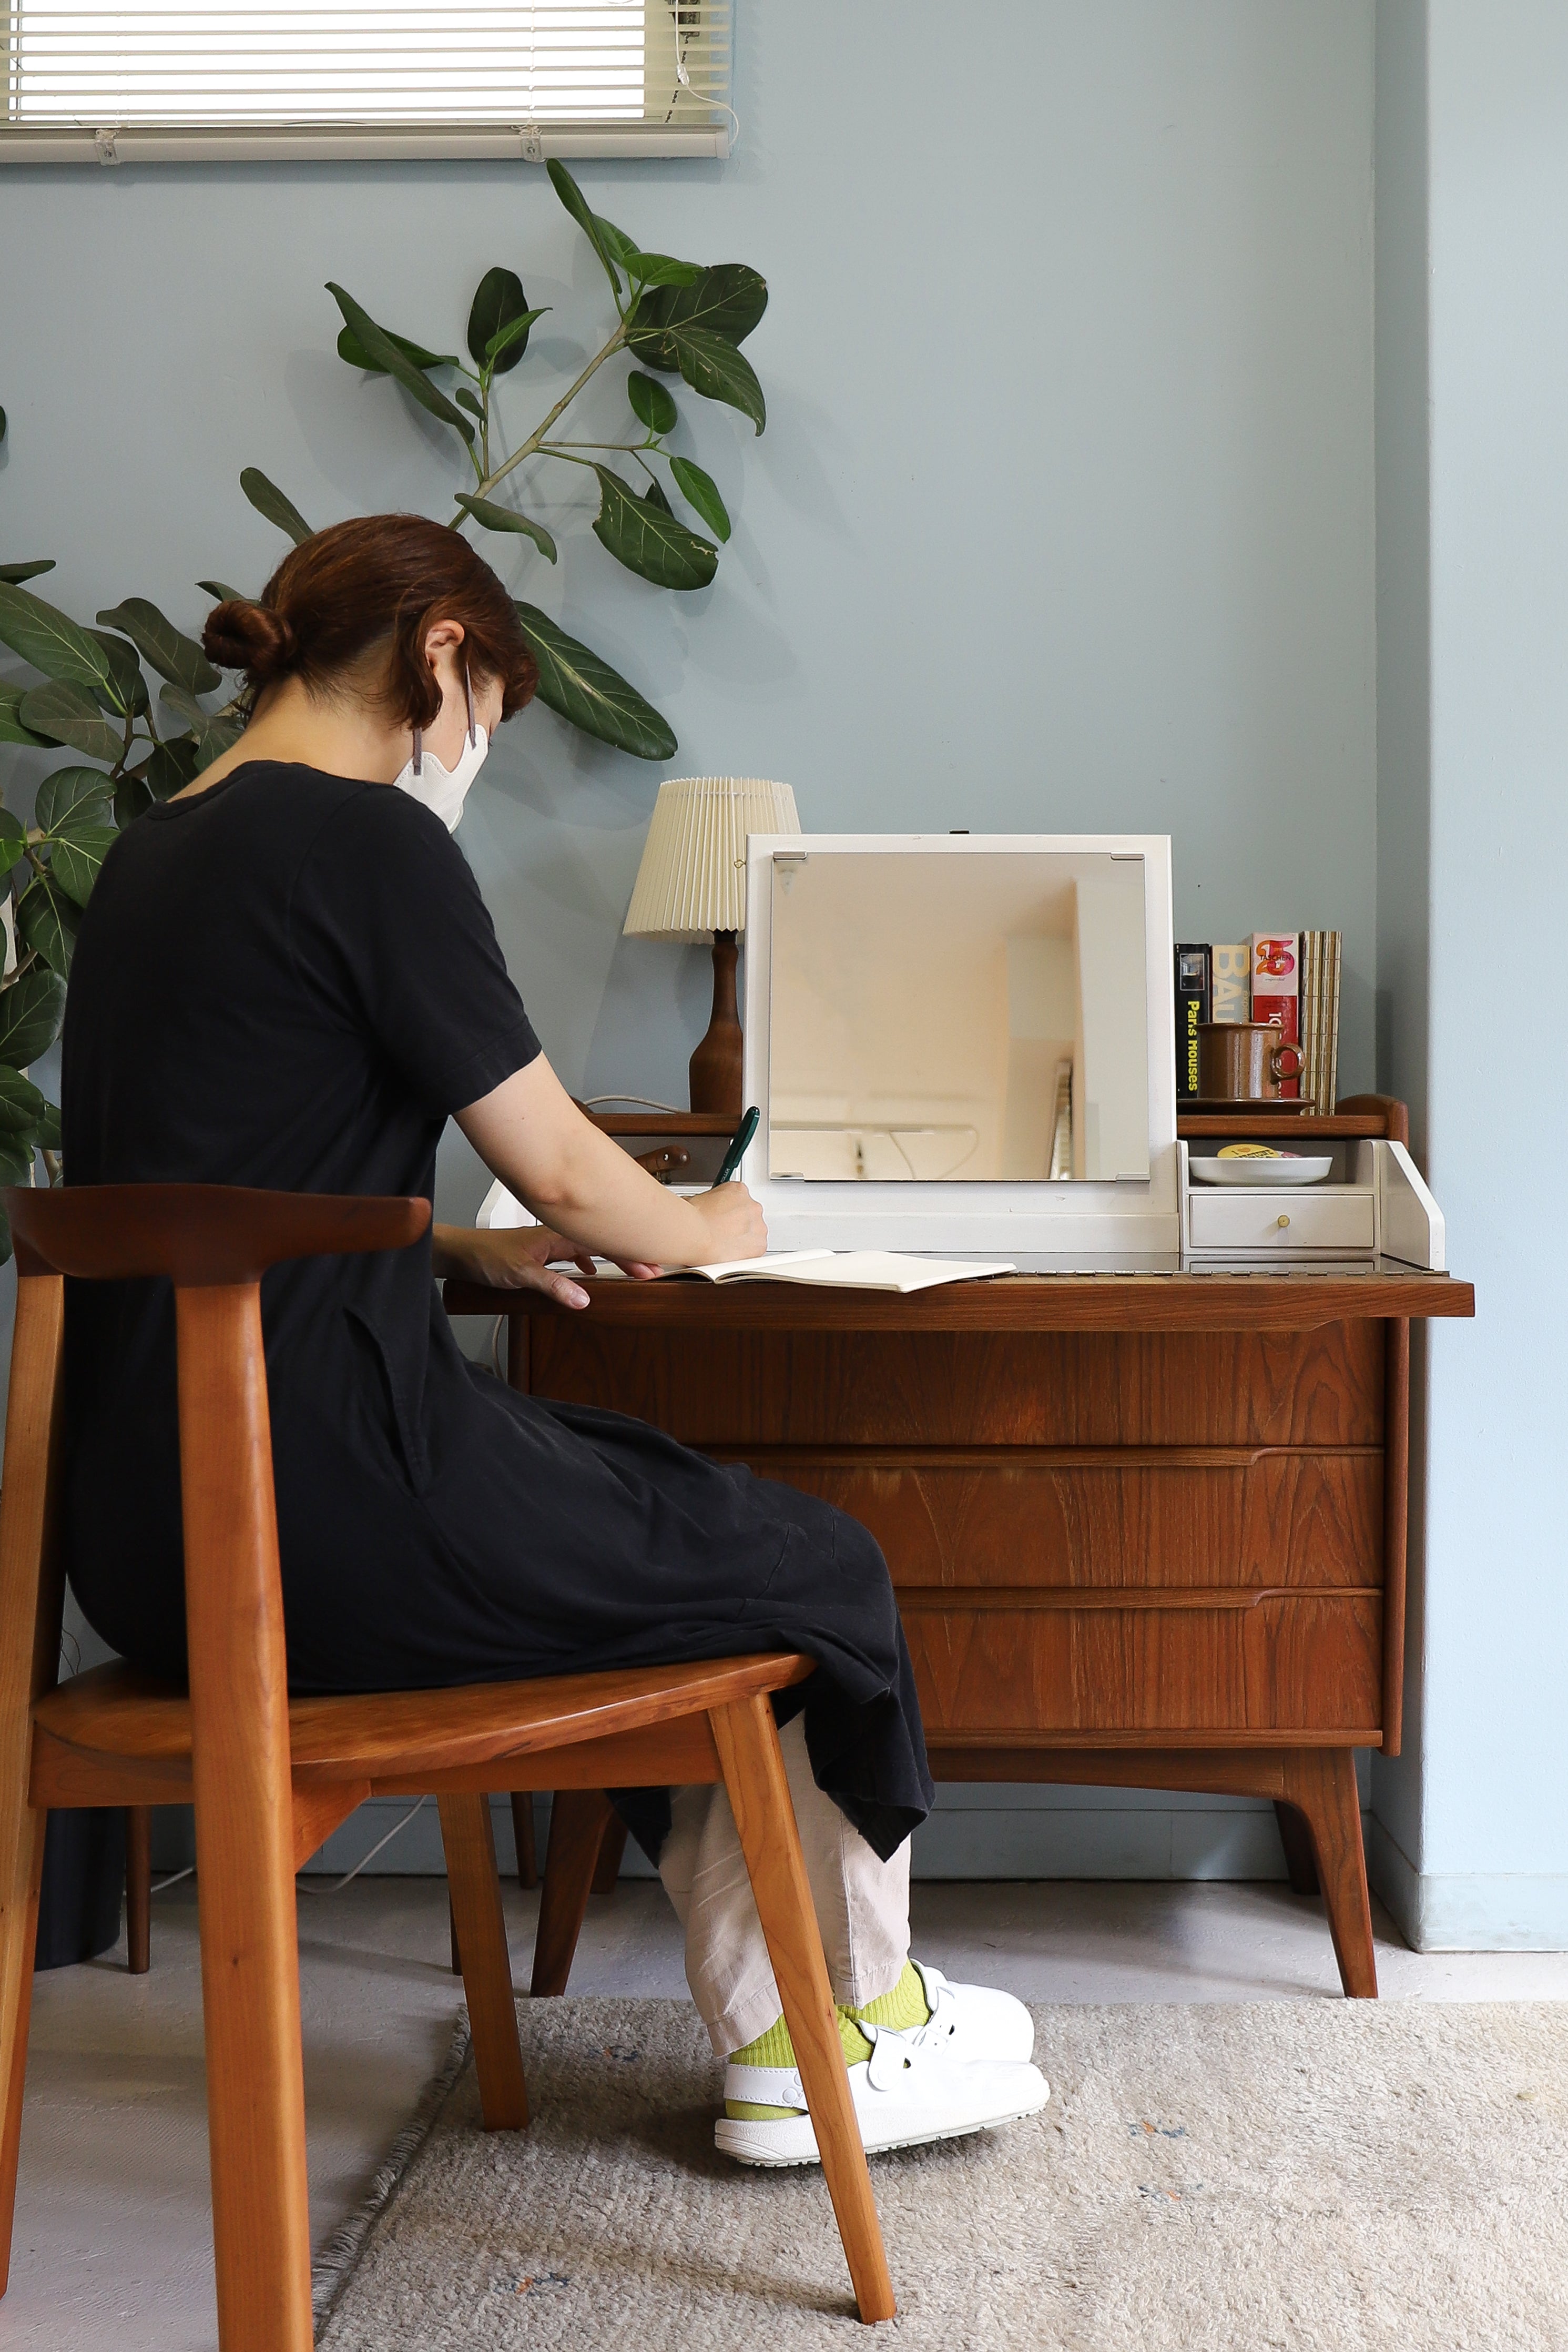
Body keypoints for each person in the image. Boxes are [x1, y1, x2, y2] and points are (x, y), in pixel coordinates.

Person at [59, 513, 1047, 2166]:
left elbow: (206, 1182)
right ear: (444, 654)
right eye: (491, 728)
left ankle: (803, 2027)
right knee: (808, 1560)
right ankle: (846, 2037)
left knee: (650, 1502)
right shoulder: (367, 842)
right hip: (328, 1515)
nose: (473, 768)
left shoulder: (161, 851)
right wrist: (727, 1224)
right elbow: (574, 1165)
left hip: (147, 1535)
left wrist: (452, 1246)